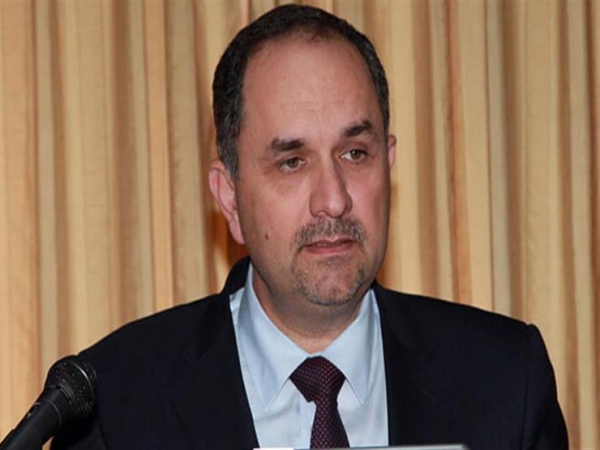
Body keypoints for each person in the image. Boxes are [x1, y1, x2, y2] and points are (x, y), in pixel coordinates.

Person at [52, 4, 567, 449]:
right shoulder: (119, 403)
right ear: (229, 197)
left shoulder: (505, 380)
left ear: (388, 164)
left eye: (355, 153)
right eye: (292, 162)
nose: (334, 200)